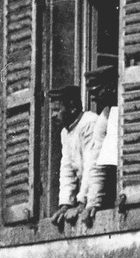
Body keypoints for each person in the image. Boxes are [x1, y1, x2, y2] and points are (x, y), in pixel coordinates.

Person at [50, 84, 104, 231]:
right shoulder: (65, 132)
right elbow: (66, 169)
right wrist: (65, 204)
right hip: (87, 195)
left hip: (99, 194)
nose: (53, 115)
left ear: (73, 107)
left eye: (57, 109)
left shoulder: (89, 123)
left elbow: (92, 165)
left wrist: (82, 203)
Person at [84, 68, 119, 225]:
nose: (93, 98)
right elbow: (97, 160)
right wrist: (93, 202)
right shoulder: (105, 115)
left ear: (111, 87)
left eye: (97, 91)